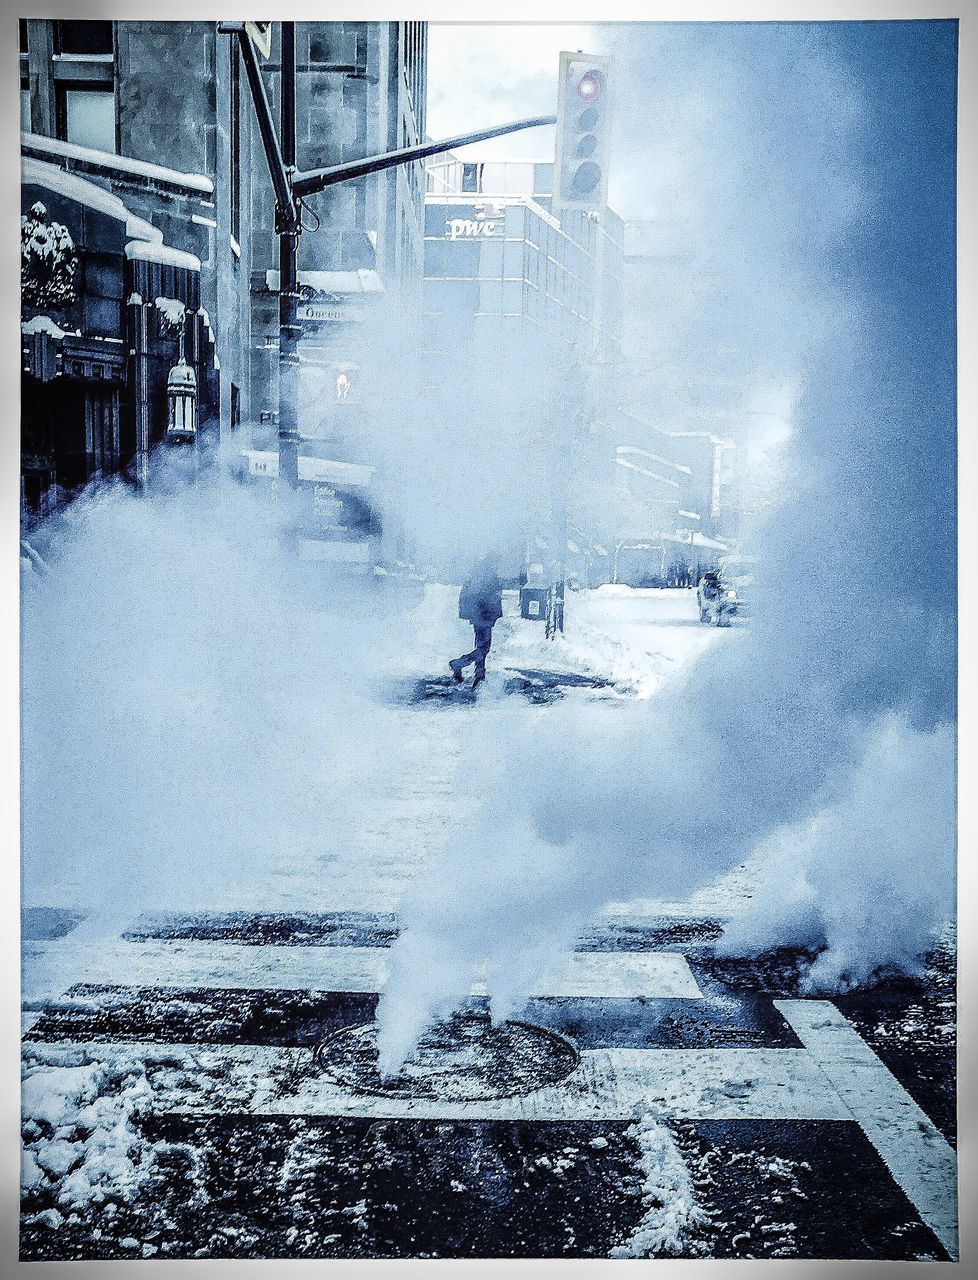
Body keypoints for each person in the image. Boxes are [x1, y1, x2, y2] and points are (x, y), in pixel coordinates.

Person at [450, 554, 503, 687]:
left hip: (480, 615)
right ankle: (459, 664)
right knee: (483, 648)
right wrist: (490, 610)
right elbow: (483, 594)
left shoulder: (481, 570)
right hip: (483, 615)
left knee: (481, 647)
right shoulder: (486, 573)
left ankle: (480, 676)